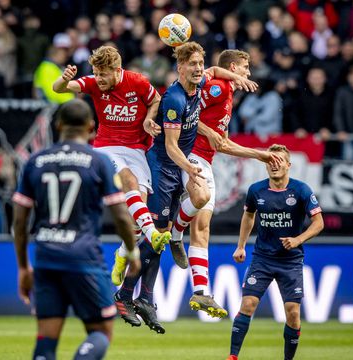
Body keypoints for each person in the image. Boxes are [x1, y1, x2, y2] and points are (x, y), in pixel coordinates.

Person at [116, 42, 257, 333]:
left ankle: (145, 298)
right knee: (155, 235)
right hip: (163, 166)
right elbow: (170, 147)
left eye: (199, 64)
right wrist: (190, 168)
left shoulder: (202, 82)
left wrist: (234, 76)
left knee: (160, 236)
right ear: (179, 67)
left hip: (175, 165)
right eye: (191, 64)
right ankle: (125, 294)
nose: (197, 69)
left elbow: (215, 70)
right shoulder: (175, 100)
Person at [12, 99, 141, 360]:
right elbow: (120, 215)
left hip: (46, 258)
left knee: (46, 338)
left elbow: (19, 222)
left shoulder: (36, 161)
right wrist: (132, 252)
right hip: (84, 259)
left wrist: (24, 267)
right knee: (101, 332)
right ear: (92, 127)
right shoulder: (98, 161)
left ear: (58, 125)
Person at [172, 49, 283, 318]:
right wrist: (206, 130)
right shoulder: (219, 88)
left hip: (204, 159)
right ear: (234, 67)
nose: (248, 74)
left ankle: (200, 291)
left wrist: (260, 154)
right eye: (246, 68)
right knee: (199, 201)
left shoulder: (228, 96)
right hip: (187, 153)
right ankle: (175, 234)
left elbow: (223, 144)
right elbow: (184, 106)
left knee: (203, 226)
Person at [52, 45, 171, 290]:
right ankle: (154, 235)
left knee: (139, 209)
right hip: (106, 148)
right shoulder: (94, 84)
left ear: (117, 70)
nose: (98, 79)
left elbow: (156, 100)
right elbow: (60, 89)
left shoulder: (137, 82)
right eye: (95, 73)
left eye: (103, 74)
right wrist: (63, 80)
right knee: (128, 182)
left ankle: (122, 254)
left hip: (137, 149)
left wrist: (149, 119)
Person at [227, 144, 324, 360]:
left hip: (291, 261)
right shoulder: (256, 190)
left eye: (279, 160)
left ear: (289, 165)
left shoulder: (301, 190)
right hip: (262, 258)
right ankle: (232, 357)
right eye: (270, 160)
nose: (274, 164)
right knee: (248, 304)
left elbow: (319, 223)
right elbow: (249, 216)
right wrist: (241, 245)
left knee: (293, 312)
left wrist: (298, 239)